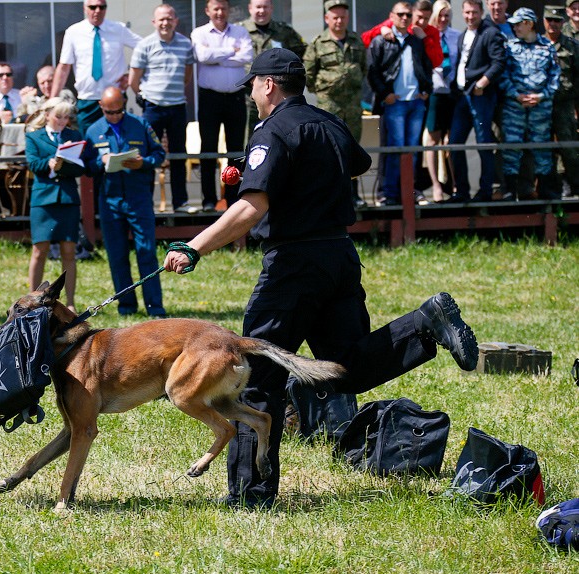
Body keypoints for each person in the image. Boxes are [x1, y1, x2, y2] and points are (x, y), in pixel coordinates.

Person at [162, 48, 479, 509]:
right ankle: (424, 322)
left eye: (253, 84)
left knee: (257, 378)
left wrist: (194, 247)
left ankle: (251, 495)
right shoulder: (328, 122)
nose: (251, 92)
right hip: (338, 256)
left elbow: (251, 208)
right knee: (346, 367)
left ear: (269, 85)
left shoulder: (272, 131)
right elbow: (356, 164)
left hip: (293, 265)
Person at [85, 86, 167, 317]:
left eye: (119, 110)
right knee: (117, 254)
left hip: (138, 197)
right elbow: (87, 167)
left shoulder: (140, 124)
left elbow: (159, 154)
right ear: (101, 107)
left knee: (146, 252)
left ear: (124, 104)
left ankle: (155, 306)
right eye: (109, 112)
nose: (115, 115)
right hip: (110, 201)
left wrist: (144, 162)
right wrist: (101, 162)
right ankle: (126, 306)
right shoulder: (93, 131)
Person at [129, 3, 196, 213]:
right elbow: (133, 80)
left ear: (175, 21)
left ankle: (181, 203)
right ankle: (146, 202)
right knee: (149, 156)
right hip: (153, 108)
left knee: (178, 154)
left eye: (169, 19)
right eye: (161, 19)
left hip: (177, 108)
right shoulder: (144, 45)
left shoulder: (186, 45)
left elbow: (187, 76)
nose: (165, 23)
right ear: (154, 22)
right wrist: (144, 96)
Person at [367, 2, 433, 206]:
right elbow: (372, 72)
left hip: (415, 103)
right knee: (395, 150)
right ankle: (390, 194)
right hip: (394, 104)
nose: (404, 18)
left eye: (407, 15)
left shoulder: (416, 41)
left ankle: (407, 192)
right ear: (392, 16)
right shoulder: (381, 41)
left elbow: (426, 67)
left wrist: (425, 90)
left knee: (412, 151)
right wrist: (385, 93)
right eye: (400, 14)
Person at [303, 0, 367, 207]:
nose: (339, 21)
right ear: (327, 19)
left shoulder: (356, 41)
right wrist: (325, 90)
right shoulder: (317, 43)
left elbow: (364, 68)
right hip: (329, 108)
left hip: (353, 108)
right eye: (335, 17)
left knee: (352, 150)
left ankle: (353, 196)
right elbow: (308, 76)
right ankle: (329, 196)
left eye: (343, 17)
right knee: (328, 151)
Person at [191, 0, 254, 212]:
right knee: (208, 148)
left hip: (236, 97)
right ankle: (208, 200)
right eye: (215, 8)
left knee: (236, 150)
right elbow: (202, 56)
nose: (220, 12)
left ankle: (233, 199)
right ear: (208, 11)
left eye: (223, 8)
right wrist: (230, 52)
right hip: (209, 97)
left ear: (229, 10)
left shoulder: (241, 31)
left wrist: (216, 55)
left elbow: (247, 56)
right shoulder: (199, 33)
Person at [25, 98, 85, 312]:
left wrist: (62, 166)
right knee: (39, 250)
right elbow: (32, 163)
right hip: (43, 200)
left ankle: (69, 302)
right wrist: (50, 163)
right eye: (58, 116)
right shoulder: (34, 137)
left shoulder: (74, 136)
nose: (62, 121)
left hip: (67, 199)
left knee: (69, 251)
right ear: (48, 114)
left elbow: (80, 168)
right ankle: (31, 301)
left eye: (66, 117)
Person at [52, 0, 142, 135]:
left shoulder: (119, 29)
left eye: (102, 7)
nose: (97, 11)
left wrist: (131, 76)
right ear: (84, 8)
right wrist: (53, 100)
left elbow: (144, 48)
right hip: (87, 99)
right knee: (88, 144)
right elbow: (64, 67)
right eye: (93, 7)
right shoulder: (73, 32)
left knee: (119, 141)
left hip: (115, 98)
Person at [498, 7, 561, 200]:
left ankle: (545, 190)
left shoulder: (547, 47)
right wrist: (515, 95)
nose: (515, 28)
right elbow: (503, 75)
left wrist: (542, 96)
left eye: (519, 24)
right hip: (515, 107)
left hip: (540, 107)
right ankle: (510, 190)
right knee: (512, 147)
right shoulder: (510, 47)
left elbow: (555, 77)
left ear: (530, 24)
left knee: (541, 147)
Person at [447, 0, 506, 203]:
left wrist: (482, 83)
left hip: (481, 96)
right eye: (467, 12)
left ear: (482, 12)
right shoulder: (464, 34)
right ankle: (461, 191)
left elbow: (499, 62)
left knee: (483, 144)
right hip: (463, 97)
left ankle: (485, 191)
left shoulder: (491, 32)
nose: (470, 16)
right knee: (454, 144)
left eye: (474, 12)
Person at [238, 0, 306, 140]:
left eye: (265, 7)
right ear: (250, 8)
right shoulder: (239, 30)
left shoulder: (284, 31)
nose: (261, 11)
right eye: (258, 7)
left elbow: (303, 53)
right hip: (246, 94)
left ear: (271, 8)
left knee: (279, 130)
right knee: (247, 136)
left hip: (277, 95)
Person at [424, 0, 461, 202]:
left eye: (447, 15)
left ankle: (455, 185)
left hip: (453, 92)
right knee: (433, 139)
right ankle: (436, 186)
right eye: (440, 15)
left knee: (452, 140)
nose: (444, 20)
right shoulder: (427, 34)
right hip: (435, 93)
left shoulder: (457, 36)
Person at [542, 6, 579, 197]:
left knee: (569, 147)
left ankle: (573, 184)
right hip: (542, 105)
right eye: (549, 20)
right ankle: (549, 187)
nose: (553, 24)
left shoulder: (572, 46)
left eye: (557, 21)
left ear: (562, 22)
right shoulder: (538, 44)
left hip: (565, 104)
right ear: (543, 21)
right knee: (544, 148)